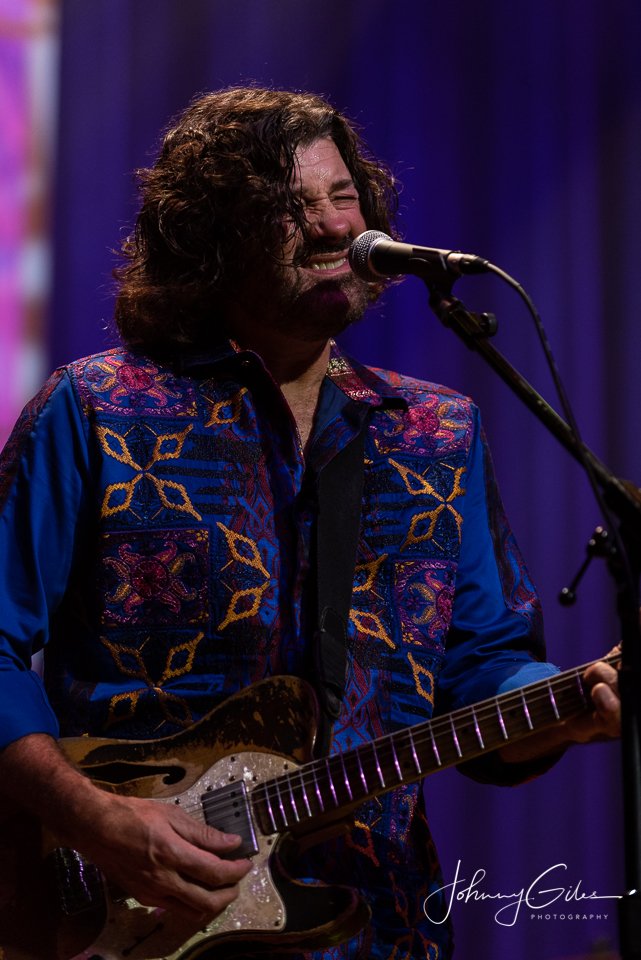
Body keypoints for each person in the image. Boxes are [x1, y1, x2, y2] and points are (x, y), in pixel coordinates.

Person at [0, 87, 620, 960]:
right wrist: (90, 816)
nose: (332, 227)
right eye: (289, 209)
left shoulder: (434, 432)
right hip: (130, 913)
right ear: (210, 237)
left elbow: (480, 667)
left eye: (342, 196)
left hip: (378, 920)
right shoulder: (97, 409)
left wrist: (565, 709)